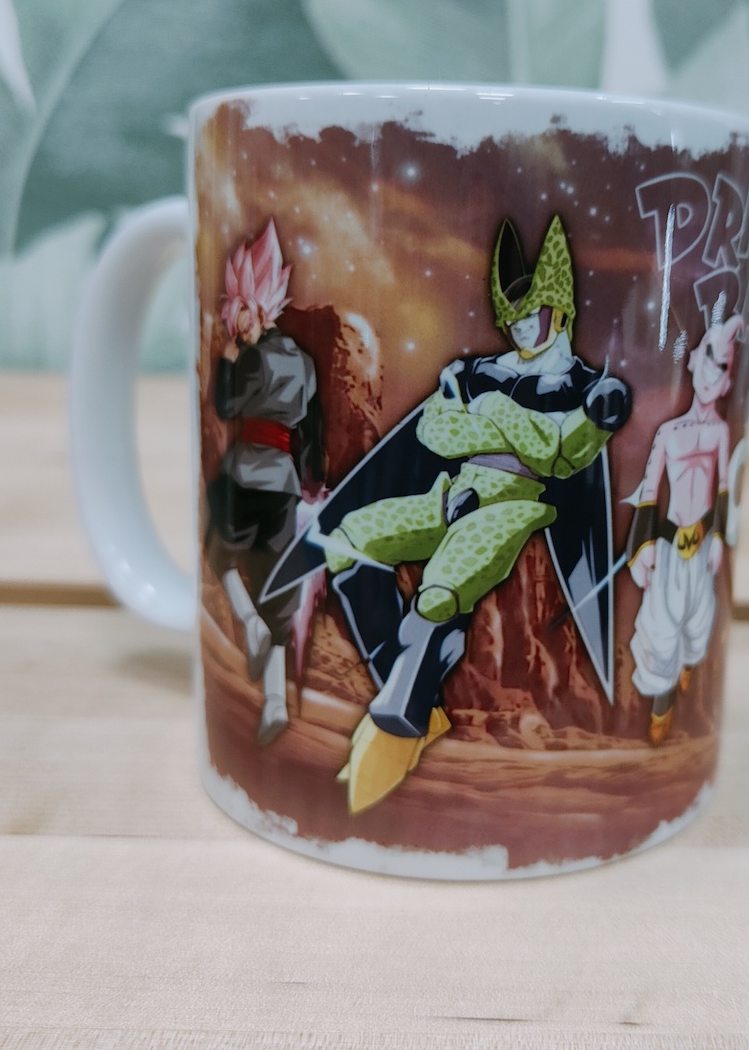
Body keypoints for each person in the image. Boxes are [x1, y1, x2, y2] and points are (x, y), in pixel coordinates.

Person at [263, 215, 631, 812]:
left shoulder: (580, 388)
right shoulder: (485, 371)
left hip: (508, 509)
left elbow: (565, 456)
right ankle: (414, 692)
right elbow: (437, 429)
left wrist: (494, 416)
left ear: (558, 312)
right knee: (350, 539)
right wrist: (523, 429)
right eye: (511, 318)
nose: (518, 328)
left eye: (530, 316)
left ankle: (400, 719)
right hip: (451, 494)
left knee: (439, 593)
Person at [206, 220, 324, 744]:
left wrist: (228, 360)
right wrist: (310, 479)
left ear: (261, 309)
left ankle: (248, 621)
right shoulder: (304, 364)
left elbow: (226, 405)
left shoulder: (253, 357)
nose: (238, 328)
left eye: (242, 316)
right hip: (284, 487)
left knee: (220, 550)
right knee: (277, 589)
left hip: (246, 475)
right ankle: (275, 700)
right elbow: (313, 432)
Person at [625, 296, 743, 745]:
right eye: (710, 362)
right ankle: (662, 703)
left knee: (699, 622)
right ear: (693, 363)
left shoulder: (720, 432)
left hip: (702, 543)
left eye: (724, 367)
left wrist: (719, 538)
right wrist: (643, 547)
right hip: (670, 546)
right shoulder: (669, 433)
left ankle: (690, 670)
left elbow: (724, 486)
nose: (714, 374)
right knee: (660, 628)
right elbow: (649, 491)